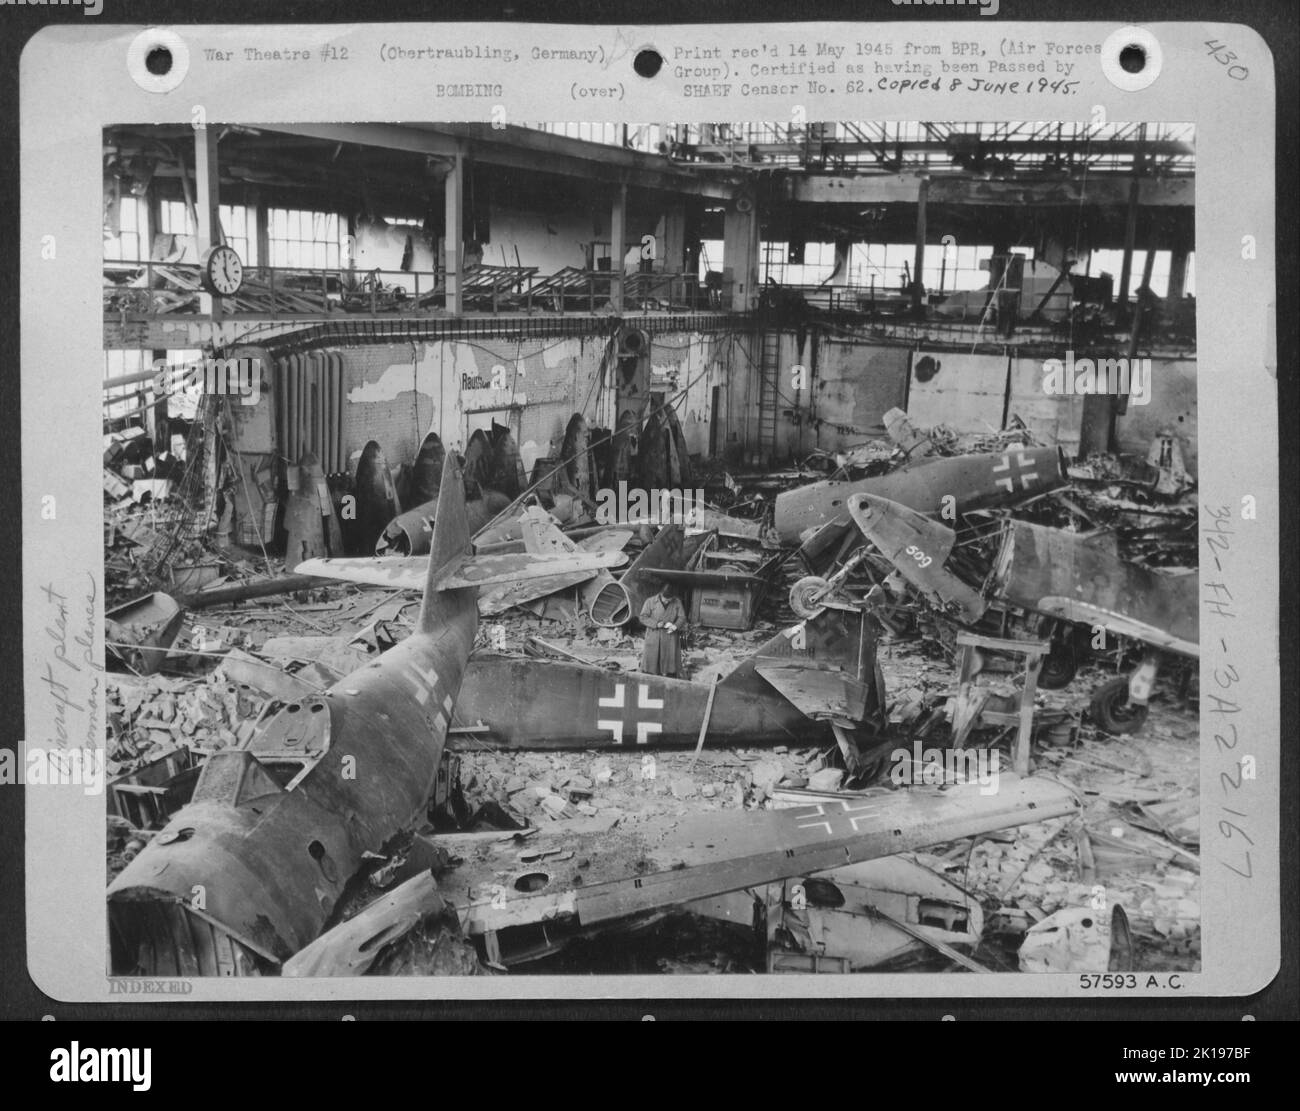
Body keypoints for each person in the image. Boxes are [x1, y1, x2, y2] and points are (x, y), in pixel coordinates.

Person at [639, 582, 687, 678]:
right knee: (652, 658)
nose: (667, 602)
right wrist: (656, 623)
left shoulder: (677, 602)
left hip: (670, 635)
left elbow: (682, 617)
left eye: (670, 600)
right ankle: (650, 674)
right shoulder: (650, 601)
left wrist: (675, 626)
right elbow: (643, 617)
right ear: (661, 595)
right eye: (666, 600)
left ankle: (669, 674)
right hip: (654, 634)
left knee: (669, 660)